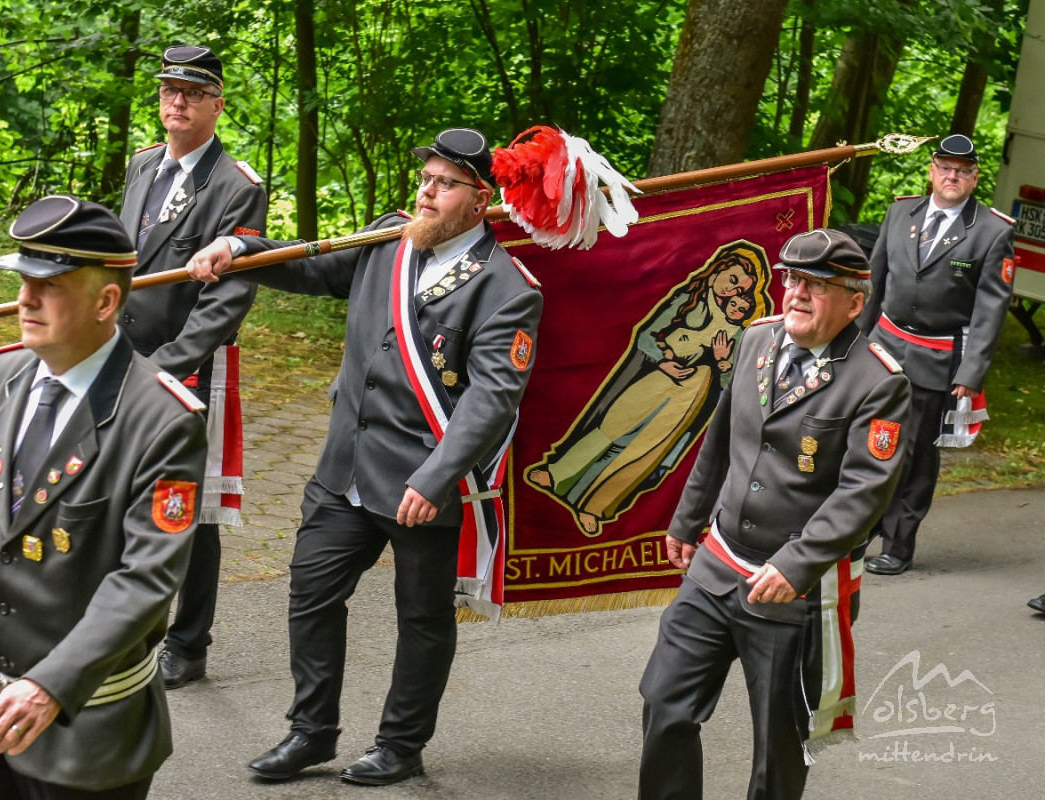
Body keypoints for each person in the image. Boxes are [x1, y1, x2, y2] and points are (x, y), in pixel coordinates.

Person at [185, 127, 543, 786]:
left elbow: (491, 402)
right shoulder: (387, 238)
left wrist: (437, 479)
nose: (426, 193)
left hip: (418, 484)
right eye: (425, 180)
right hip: (343, 465)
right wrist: (240, 248)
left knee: (422, 617)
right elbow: (308, 265)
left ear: (479, 199)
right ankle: (311, 732)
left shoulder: (506, 289)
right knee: (312, 591)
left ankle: (401, 745)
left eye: (443, 185)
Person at [0, 195, 208, 799]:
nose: (25, 299)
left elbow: (145, 580)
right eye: (21, 280)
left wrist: (50, 687)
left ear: (106, 301)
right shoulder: (5, 374)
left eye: (49, 285)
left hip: (84, 726)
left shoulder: (162, 420)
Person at [637, 229, 911, 800]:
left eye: (817, 285)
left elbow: (864, 492)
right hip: (717, 566)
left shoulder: (878, 382)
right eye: (793, 279)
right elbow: (719, 439)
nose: (797, 294)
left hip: (791, 590)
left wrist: (795, 564)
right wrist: (688, 521)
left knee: (780, 747)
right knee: (666, 703)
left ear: (855, 302)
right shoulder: (756, 341)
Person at [120, 44, 268, 686]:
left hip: (189, 367)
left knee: (191, 506)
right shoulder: (142, 165)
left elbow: (226, 302)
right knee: (125, 494)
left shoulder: (237, 186)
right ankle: (129, 626)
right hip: (123, 358)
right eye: (167, 90)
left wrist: (167, 367)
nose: (175, 101)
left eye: (191, 91)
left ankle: (189, 642)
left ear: (217, 103)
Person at [526, 241, 772, 536]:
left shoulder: (736, 328)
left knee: (645, 451)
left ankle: (594, 506)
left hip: (693, 391)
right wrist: (663, 362)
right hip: (657, 376)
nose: (732, 293)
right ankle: (556, 473)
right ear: (718, 270)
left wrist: (721, 362)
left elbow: (731, 381)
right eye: (731, 280)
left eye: (739, 291)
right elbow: (647, 334)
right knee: (611, 428)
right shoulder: (689, 299)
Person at [856, 134, 1015, 576]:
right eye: (945, 167)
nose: (952, 177)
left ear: (974, 178)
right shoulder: (898, 212)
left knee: (915, 454)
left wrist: (972, 371)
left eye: (962, 171)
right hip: (882, 347)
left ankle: (898, 545)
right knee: (866, 439)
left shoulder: (992, 231)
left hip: (935, 356)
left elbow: (990, 311)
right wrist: (853, 340)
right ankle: (856, 529)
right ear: (931, 170)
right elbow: (874, 284)